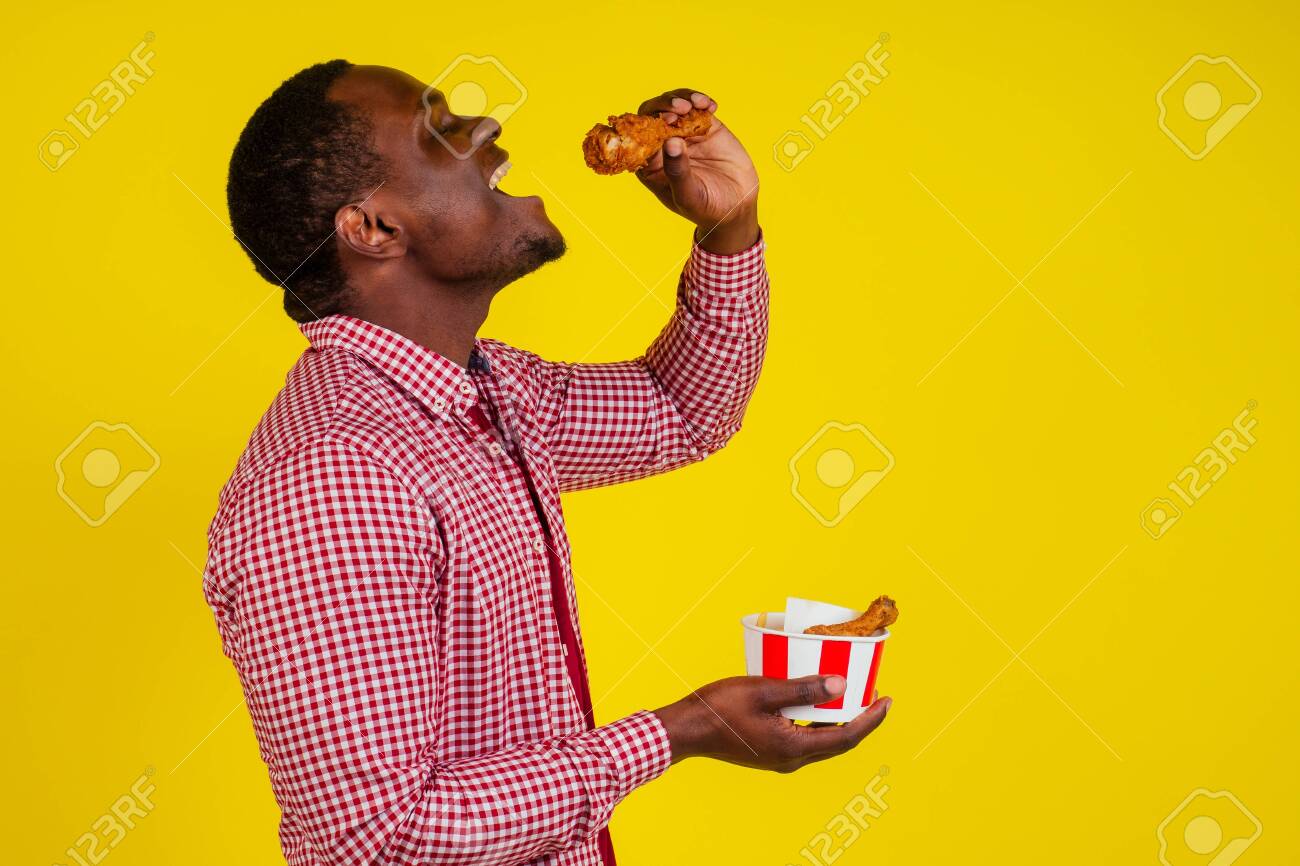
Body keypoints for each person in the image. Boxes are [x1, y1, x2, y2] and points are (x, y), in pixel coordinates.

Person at [205, 59, 891, 866]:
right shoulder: (335, 479)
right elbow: (385, 840)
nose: (486, 128)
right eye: (440, 129)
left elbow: (682, 410)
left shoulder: (488, 392)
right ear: (376, 229)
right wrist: (682, 731)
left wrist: (728, 224)